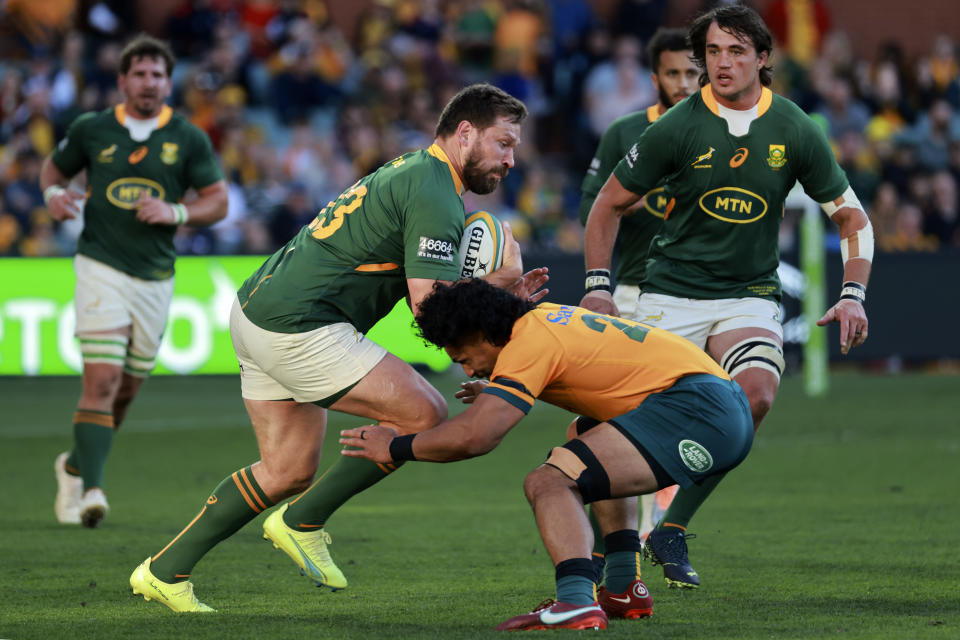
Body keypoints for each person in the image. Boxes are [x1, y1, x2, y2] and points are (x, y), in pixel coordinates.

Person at [128, 83, 548, 613]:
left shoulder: (417, 170)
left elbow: (436, 301)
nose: (512, 159)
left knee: (285, 470)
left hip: (258, 308)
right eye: (504, 142)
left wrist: (495, 302)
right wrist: (499, 283)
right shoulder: (435, 187)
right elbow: (430, 309)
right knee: (423, 412)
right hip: (302, 323)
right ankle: (303, 520)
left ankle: (163, 572)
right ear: (465, 132)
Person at [579, 4, 873, 589]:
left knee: (755, 396)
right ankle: (613, 557)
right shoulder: (676, 127)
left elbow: (852, 217)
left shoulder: (793, 128)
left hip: (749, 295)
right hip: (669, 294)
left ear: (763, 59)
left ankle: (672, 526)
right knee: (604, 423)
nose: (722, 64)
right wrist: (597, 288)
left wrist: (854, 292)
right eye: (712, 52)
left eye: (737, 52)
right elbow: (604, 205)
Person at [339, 278, 754, 630]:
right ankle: (625, 588)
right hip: (714, 404)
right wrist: (497, 392)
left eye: (465, 358)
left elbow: (476, 437)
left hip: (698, 411)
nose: (467, 371)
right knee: (587, 434)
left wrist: (394, 446)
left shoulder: (529, 342)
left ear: (484, 333)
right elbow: (590, 375)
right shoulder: (544, 320)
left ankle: (576, 600)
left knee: (550, 480)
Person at [42, 34, 228, 529]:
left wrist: (178, 209)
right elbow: (52, 170)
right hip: (99, 265)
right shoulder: (92, 129)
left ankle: (74, 467)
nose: (150, 83)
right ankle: (93, 492)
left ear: (169, 83)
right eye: (140, 74)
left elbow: (219, 200)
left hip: (155, 277)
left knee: (122, 394)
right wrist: (55, 194)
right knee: (100, 380)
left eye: (159, 75)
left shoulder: (187, 138)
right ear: (122, 80)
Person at [576, 28, 699, 568]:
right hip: (632, 289)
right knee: (617, 417)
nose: (684, 82)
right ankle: (617, 546)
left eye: (692, 73)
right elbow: (591, 208)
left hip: (697, 295)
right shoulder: (625, 132)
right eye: (673, 73)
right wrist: (637, 201)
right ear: (655, 78)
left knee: (682, 417)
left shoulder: (722, 134)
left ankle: (655, 533)